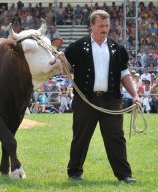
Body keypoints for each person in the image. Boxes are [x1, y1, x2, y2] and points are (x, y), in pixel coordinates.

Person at [58, 10, 140, 184]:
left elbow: (124, 74)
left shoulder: (117, 48)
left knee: (116, 137)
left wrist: (135, 95)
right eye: (101, 26)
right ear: (92, 26)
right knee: (81, 136)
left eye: (107, 25)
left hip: (111, 101)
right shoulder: (79, 46)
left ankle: (124, 175)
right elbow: (67, 67)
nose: (105, 29)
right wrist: (62, 60)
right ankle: (74, 173)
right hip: (85, 100)